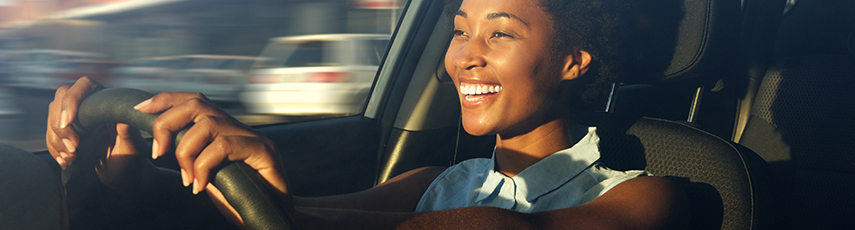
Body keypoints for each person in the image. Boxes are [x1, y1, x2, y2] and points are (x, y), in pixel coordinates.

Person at [46, 0, 689, 229]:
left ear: (573, 61)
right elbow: (295, 220)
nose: (463, 56)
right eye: (460, 30)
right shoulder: (441, 182)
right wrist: (137, 178)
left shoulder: (644, 198)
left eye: (499, 34)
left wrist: (276, 190)